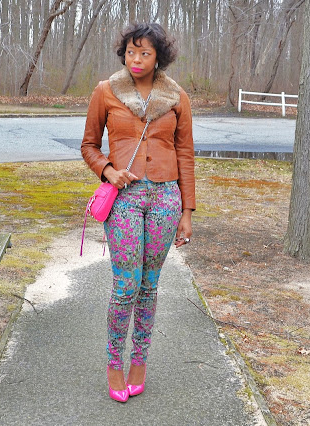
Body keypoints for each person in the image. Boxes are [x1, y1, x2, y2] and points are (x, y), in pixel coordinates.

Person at [81, 22, 196, 403]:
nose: (136, 59)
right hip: (125, 199)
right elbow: (88, 145)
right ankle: (114, 362)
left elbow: (185, 154)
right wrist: (108, 171)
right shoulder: (106, 91)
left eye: (145, 53)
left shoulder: (176, 96)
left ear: (158, 56)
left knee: (149, 286)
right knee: (125, 286)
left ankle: (140, 361)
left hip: (166, 199)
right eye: (131, 51)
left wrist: (187, 211)